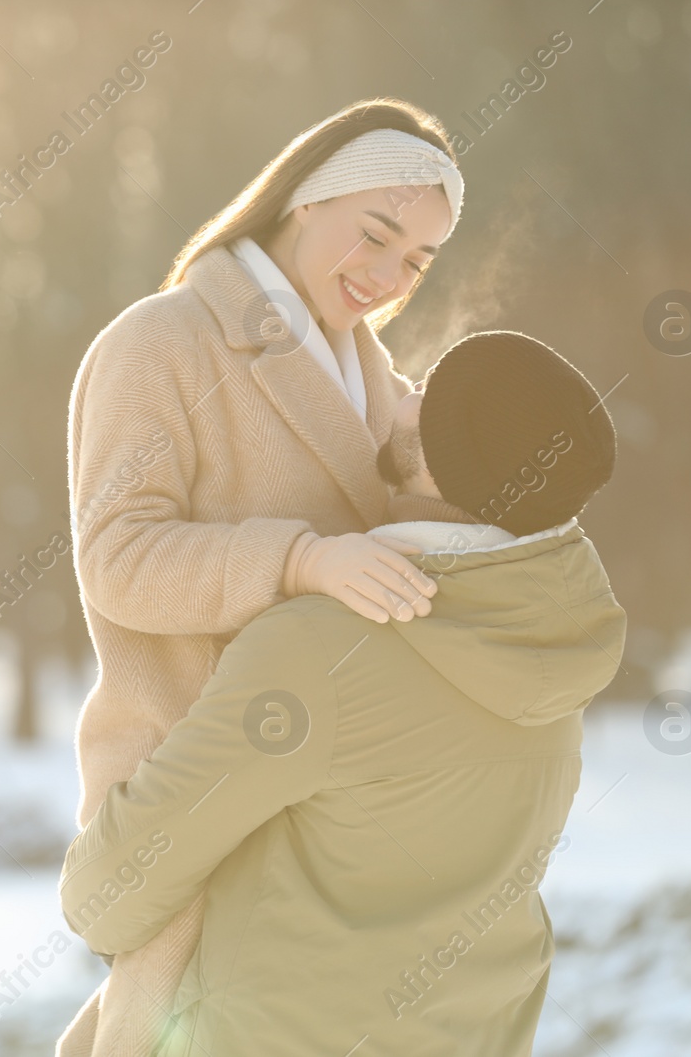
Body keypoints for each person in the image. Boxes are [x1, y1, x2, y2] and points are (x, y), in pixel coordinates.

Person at [60, 331, 626, 1056]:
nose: (404, 392)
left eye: (429, 390)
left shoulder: (320, 650)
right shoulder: (555, 641)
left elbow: (106, 898)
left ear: (438, 452)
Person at [63, 98, 465, 1055]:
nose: (386, 275)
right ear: (301, 200)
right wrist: (299, 560)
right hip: (195, 790)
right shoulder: (156, 344)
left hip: (332, 814)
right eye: (375, 234)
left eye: (415, 261)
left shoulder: (378, 386)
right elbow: (116, 558)